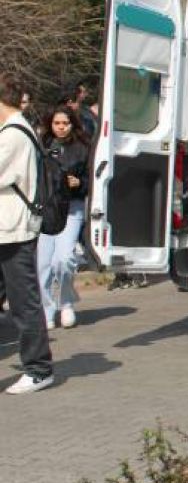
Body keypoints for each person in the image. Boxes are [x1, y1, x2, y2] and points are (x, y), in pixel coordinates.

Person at [0, 73, 55, 394]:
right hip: (6, 228)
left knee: (24, 302)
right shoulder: (12, 131)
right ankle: (36, 365)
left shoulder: (14, 136)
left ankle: (38, 368)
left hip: (14, 230)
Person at [37, 107, 88, 329]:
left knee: (64, 259)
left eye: (65, 123)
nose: (61, 127)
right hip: (46, 208)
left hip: (72, 207)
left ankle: (66, 303)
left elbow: (91, 179)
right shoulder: (41, 145)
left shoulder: (83, 148)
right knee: (43, 264)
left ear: (72, 124)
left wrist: (81, 184)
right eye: (57, 123)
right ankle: (46, 310)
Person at [75, 76, 100, 141]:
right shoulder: (66, 110)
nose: (84, 94)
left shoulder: (88, 110)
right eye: (80, 91)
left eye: (85, 92)